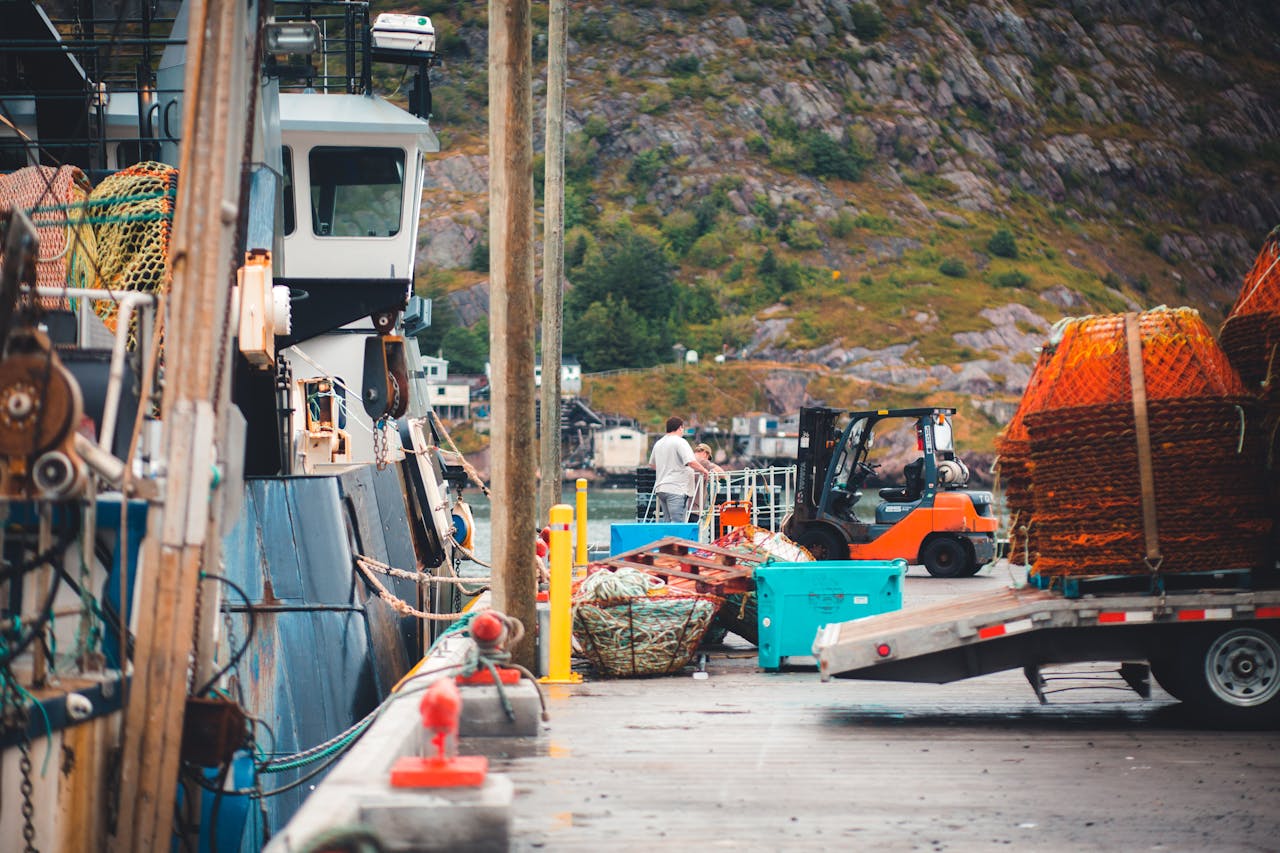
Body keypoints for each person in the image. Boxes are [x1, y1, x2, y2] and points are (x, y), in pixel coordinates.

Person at [648, 416, 711, 523]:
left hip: (661, 488)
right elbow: (690, 461)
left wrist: (667, 468)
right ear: (680, 428)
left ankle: (668, 540)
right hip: (676, 488)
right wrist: (704, 470)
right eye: (683, 428)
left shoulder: (658, 443)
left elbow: (652, 465)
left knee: (667, 522)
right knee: (678, 522)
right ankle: (676, 540)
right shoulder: (680, 442)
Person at [687, 443, 724, 524]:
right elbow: (722, 474)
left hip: (681, 506)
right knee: (694, 534)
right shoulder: (703, 461)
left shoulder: (687, 459)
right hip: (694, 508)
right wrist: (712, 473)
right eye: (709, 458)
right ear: (705, 453)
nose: (708, 460)